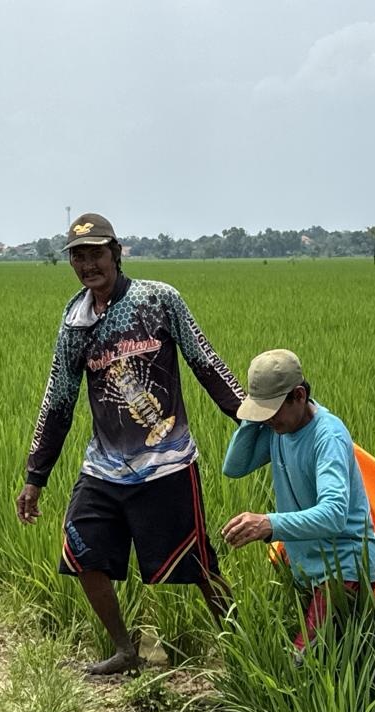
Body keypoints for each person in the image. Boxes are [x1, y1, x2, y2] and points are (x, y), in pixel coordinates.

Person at [15, 213, 243, 675]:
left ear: (115, 253)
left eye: (96, 253)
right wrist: (35, 476)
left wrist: (252, 419)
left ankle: (241, 648)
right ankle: (125, 650)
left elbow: (206, 363)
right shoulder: (75, 320)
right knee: (82, 552)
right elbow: (58, 398)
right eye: (78, 256)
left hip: (168, 462)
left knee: (199, 564)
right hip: (104, 467)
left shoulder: (158, 300)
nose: (87, 264)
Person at [221, 349, 375, 651]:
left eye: (272, 410)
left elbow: (334, 514)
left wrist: (269, 524)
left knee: (304, 660)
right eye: (261, 412)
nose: (268, 420)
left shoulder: (327, 438)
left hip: (343, 567)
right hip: (310, 566)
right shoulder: (280, 429)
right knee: (333, 656)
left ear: (299, 395)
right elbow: (235, 467)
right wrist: (256, 418)